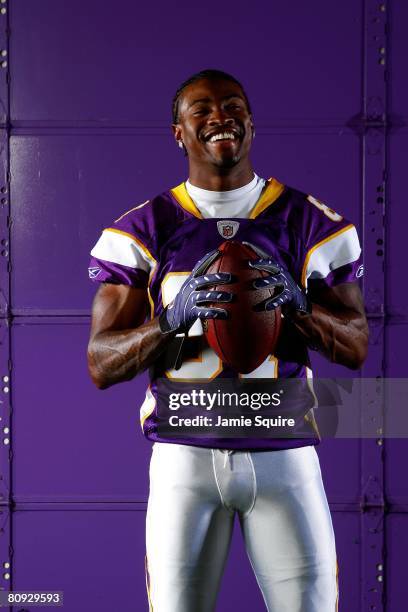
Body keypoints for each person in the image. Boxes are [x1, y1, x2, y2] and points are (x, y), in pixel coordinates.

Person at [87, 69, 368, 612]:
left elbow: (356, 347)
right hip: (184, 457)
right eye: (203, 108)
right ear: (179, 132)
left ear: (251, 124)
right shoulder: (144, 229)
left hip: (284, 453)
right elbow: (100, 364)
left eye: (233, 105)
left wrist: (301, 308)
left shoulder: (309, 222)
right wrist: (170, 320)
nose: (221, 116)